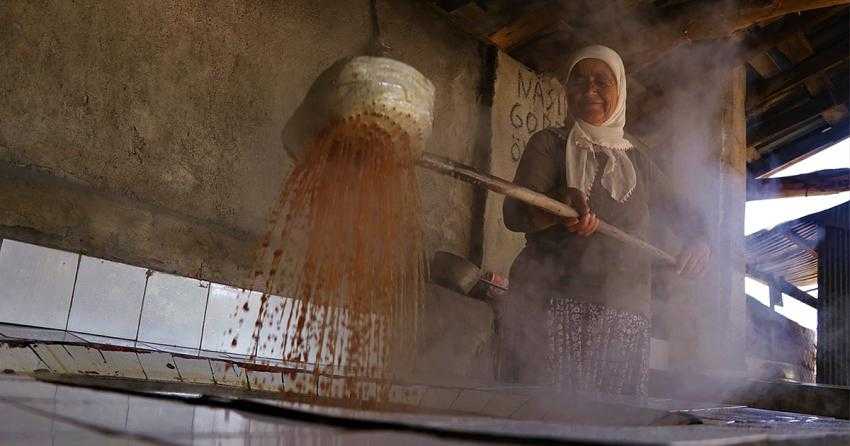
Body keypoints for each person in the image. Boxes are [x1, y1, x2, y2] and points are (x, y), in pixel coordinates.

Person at [499, 45, 711, 397]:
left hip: (624, 313)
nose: (589, 91)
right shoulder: (550, 144)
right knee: (544, 417)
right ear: (567, 91)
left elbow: (687, 214)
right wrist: (557, 207)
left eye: (601, 82)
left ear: (620, 90)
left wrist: (700, 242)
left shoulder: (637, 160)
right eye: (578, 82)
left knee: (611, 422)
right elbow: (513, 214)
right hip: (551, 304)